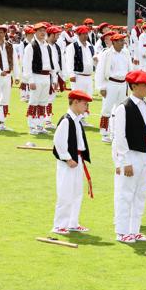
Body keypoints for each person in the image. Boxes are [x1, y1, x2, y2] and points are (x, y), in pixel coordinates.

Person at [112, 70, 146, 243]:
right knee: (125, 193)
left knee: (141, 194)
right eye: (144, 85)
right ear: (134, 86)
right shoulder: (123, 108)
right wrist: (124, 162)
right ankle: (122, 231)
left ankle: (134, 230)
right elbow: (120, 137)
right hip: (132, 153)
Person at [51, 90, 94, 235]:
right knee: (65, 193)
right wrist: (67, 158)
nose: (86, 107)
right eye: (84, 103)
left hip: (78, 160)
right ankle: (59, 225)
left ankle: (72, 223)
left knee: (77, 193)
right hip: (68, 162)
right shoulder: (66, 120)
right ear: (75, 102)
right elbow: (58, 141)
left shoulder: (76, 119)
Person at [95, 33, 131, 142]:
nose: (122, 43)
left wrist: (130, 83)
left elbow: (130, 68)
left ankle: (118, 132)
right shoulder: (107, 53)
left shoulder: (126, 53)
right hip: (111, 83)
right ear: (114, 42)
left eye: (123, 41)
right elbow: (100, 71)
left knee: (122, 109)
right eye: (120, 41)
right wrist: (102, 87)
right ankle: (104, 133)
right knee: (107, 108)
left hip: (123, 83)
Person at [23, 23, 55, 135]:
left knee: (43, 102)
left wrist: (54, 79)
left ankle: (40, 125)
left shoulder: (47, 46)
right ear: (35, 32)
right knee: (33, 101)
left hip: (46, 76)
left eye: (44, 31)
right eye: (40, 31)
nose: (42, 33)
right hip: (36, 76)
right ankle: (32, 126)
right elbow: (27, 65)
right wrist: (30, 80)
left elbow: (52, 64)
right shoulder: (31, 46)